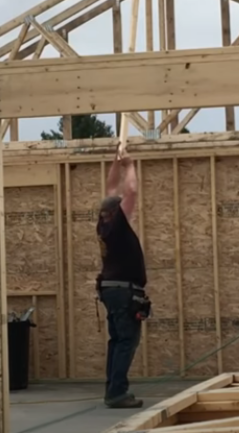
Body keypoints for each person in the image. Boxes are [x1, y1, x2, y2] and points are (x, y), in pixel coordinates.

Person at [95, 143, 149, 409]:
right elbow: (130, 191)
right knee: (127, 340)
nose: (130, 210)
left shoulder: (104, 220)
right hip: (123, 291)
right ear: (118, 212)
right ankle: (117, 393)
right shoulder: (118, 223)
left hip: (110, 290)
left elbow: (111, 190)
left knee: (118, 340)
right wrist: (129, 164)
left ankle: (112, 391)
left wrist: (115, 162)